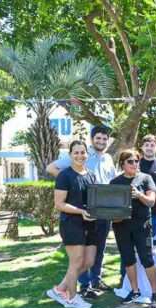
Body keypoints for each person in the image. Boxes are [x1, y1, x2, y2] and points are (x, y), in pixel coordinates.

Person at [47, 125, 116, 298]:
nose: (101, 141)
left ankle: (95, 280)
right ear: (92, 140)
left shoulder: (108, 158)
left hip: (103, 212)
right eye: (98, 138)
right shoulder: (80, 154)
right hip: (80, 214)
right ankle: (83, 286)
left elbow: (113, 181)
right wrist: (70, 183)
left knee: (97, 249)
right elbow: (51, 168)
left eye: (104, 139)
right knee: (79, 256)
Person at [46, 140, 98, 308]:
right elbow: (59, 204)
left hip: (89, 224)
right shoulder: (64, 175)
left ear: (87, 155)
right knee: (76, 262)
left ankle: (59, 289)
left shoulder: (91, 175)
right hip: (71, 223)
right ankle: (72, 298)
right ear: (70, 155)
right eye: (76, 152)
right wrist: (81, 212)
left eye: (82, 152)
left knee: (89, 261)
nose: (80, 156)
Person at [110, 149, 156, 308]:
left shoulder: (146, 178)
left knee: (147, 259)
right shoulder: (115, 182)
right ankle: (135, 291)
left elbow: (152, 202)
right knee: (128, 259)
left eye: (136, 161)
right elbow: (111, 208)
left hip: (142, 226)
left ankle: (155, 293)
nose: (134, 164)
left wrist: (139, 195)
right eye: (130, 161)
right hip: (121, 226)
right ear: (122, 164)